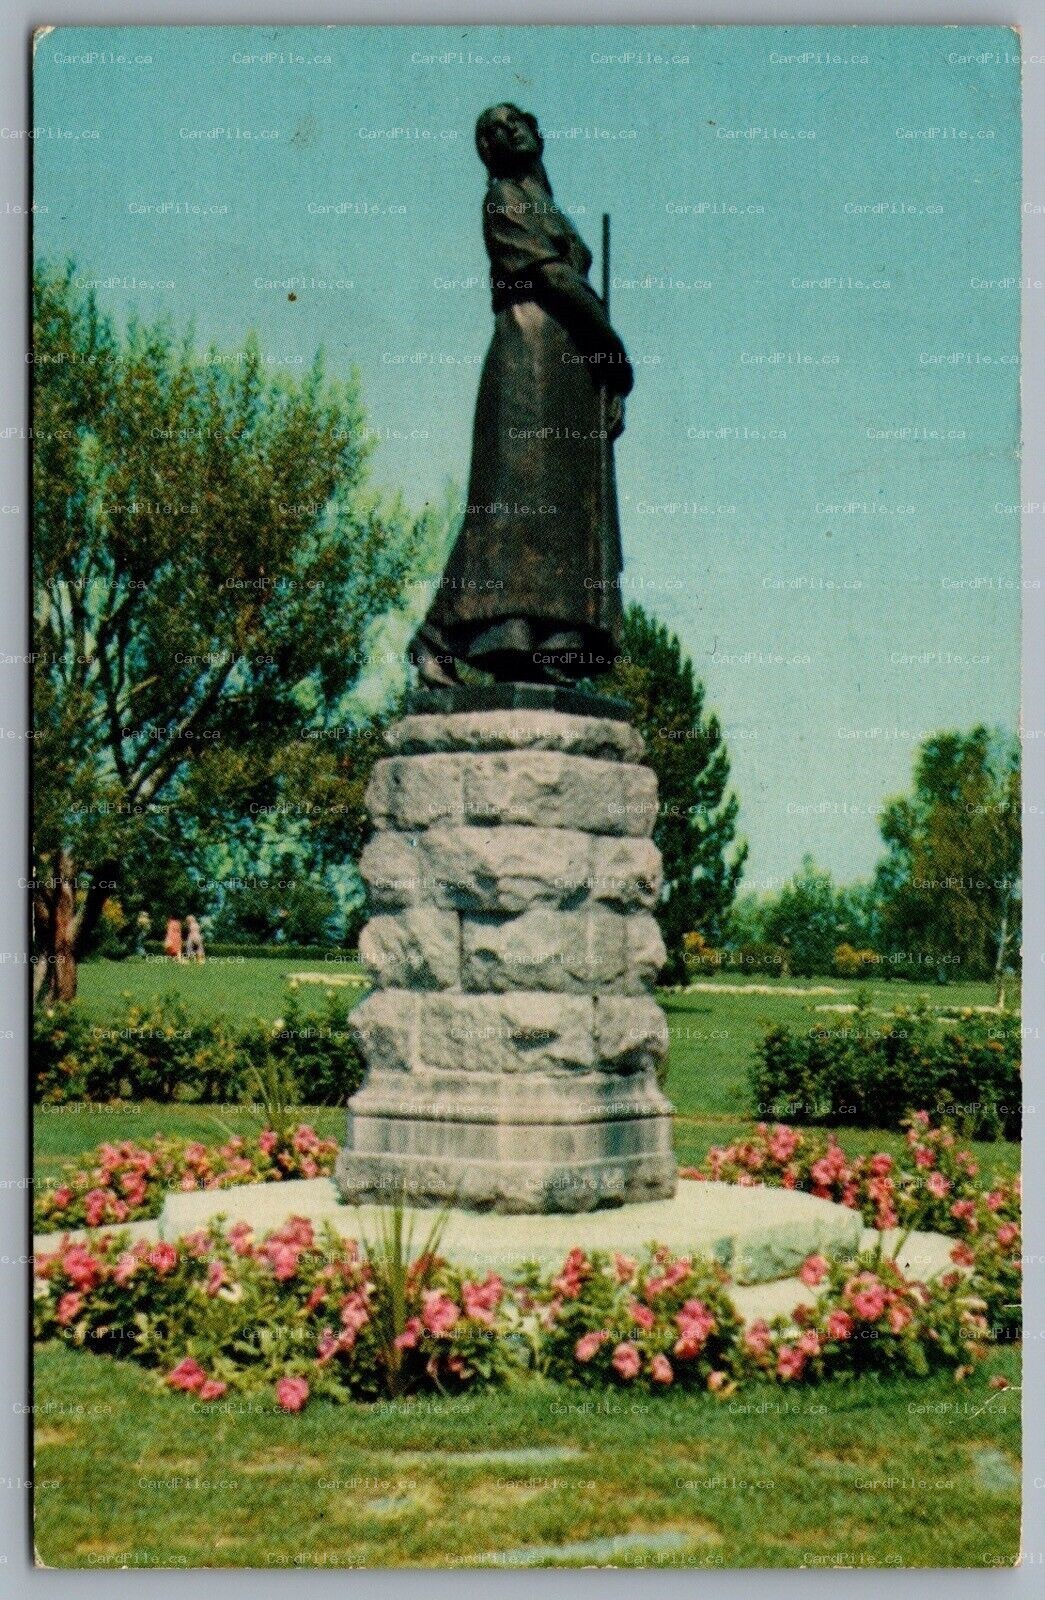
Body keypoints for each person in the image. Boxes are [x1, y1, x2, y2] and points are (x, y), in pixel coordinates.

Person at [412, 103, 634, 686]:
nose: (501, 133)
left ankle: (551, 642)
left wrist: (605, 374)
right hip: (527, 358)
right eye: (487, 132)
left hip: (570, 370)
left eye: (512, 122)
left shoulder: (551, 208)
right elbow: (554, 279)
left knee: (563, 510)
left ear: (539, 132)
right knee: (511, 504)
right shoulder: (504, 202)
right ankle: (438, 638)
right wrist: (617, 354)